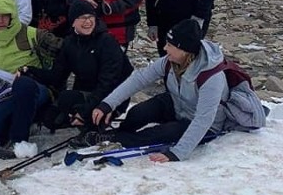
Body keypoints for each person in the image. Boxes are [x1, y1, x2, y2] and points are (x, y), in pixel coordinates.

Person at [89, 19, 250, 162]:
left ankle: (115, 139)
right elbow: (139, 79)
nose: (165, 48)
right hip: (178, 103)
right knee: (138, 112)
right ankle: (117, 134)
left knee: (157, 134)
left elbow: (203, 119)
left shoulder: (211, 76)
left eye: (170, 45)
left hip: (203, 124)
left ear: (185, 50)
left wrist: (177, 153)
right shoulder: (170, 61)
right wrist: (107, 104)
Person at [0, 0, 62, 158]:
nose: (0, 20)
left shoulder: (34, 34)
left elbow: (64, 53)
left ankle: (19, 141)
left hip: (33, 89)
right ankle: (11, 124)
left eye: (4, 15)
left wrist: (36, 73)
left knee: (23, 85)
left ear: (12, 16)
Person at [24, 0, 133, 132]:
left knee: (72, 104)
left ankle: (97, 124)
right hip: (86, 91)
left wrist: (84, 112)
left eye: (90, 17)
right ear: (73, 21)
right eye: (82, 18)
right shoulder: (70, 42)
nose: (88, 22)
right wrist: (29, 71)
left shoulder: (106, 41)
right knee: (50, 118)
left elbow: (108, 83)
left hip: (113, 95)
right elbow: (57, 76)